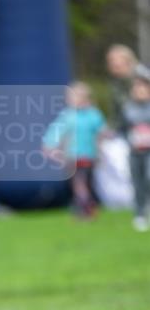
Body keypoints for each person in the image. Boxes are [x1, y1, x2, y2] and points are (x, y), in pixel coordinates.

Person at [42, 82, 106, 219]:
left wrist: (100, 150)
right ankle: (85, 208)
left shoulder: (93, 114)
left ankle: (86, 207)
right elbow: (56, 131)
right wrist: (49, 145)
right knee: (78, 183)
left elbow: (101, 133)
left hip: (89, 155)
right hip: (72, 156)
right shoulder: (68, 115)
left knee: (85, 183)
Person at [121, 75, 150, 231]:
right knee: (137, 182)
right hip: (135, 152)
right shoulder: (128, 108)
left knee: (149, 178)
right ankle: (139, 214)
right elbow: (123, 128)